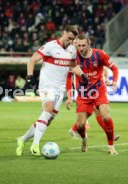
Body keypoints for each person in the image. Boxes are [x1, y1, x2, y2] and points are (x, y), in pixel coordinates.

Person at [16, 25, 88, 157]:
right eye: (69, 38)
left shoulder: (72, 50)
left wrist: (82, 75)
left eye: (72, 40)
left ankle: (22, 139)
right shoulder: (50, 46)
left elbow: (74, 66)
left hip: (59, 90)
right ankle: (35, 145)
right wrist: (29, 78)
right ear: (63, 33)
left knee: (46, 120)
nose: (70, 42)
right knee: (47, 110)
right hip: (46, 86)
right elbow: (32, 60)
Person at [65, 34, 119, 155]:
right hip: (83, 94)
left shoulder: (100, 54)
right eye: (78, 45)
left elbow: (114, 68)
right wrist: (69, 96)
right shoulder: (73, 58)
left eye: (83, 45)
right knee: (81, 125)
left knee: (106, 116)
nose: (81, 48)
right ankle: (84, 139)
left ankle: (111, 146)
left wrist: (114, 81)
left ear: (89, 44)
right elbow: (69, 77)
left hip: (99, 91)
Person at [67, 67, 120, 142]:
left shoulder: (96, 59)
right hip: (85, 90)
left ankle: (74, 129)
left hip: (95, 90)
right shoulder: (79, 61)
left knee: (95, 111)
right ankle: (74, 129)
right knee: (93, 111)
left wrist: (107, 79)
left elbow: (104, 68)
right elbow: (71, 74)